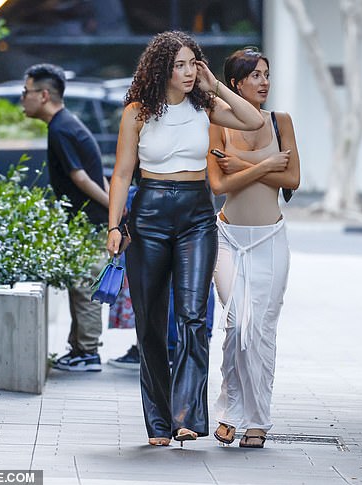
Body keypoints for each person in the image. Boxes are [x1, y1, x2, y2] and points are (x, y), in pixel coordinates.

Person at [106, 31, 263, 447]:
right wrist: (113, 226)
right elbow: (122, 173)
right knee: (151, 322)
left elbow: (255, 121)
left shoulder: (206, 105)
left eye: (194, 63)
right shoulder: (137, 112)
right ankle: (158, 422)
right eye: (180, 65)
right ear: (161, 69)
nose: (189, 71)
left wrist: (217, 87)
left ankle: (186, 415)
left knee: (193, 317)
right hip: (149, 215)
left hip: (196, 213)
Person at [207, 47, 300, 448]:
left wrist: (241, 166)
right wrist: (265, 167)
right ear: (235, 83)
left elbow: (293, 179)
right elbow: (218, 185)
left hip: (269, 240)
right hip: (228, 239)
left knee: (260, 329)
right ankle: (230, 411)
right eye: (256, 75)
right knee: (235, 324)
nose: (264, 82)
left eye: (267, 74)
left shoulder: (281, 122)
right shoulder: (218, 123)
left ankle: (257, 419)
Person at [22, 63, 109, 372]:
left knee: (85, 285)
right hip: (88, 219)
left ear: (44, 95)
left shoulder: (61, 128)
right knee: (81, 284)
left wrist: (114, 208)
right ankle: (79, 348)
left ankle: (88, 353)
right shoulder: (66, 124)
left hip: (90, 222)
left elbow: (82, 178)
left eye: (26, 91)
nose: (22, 98)